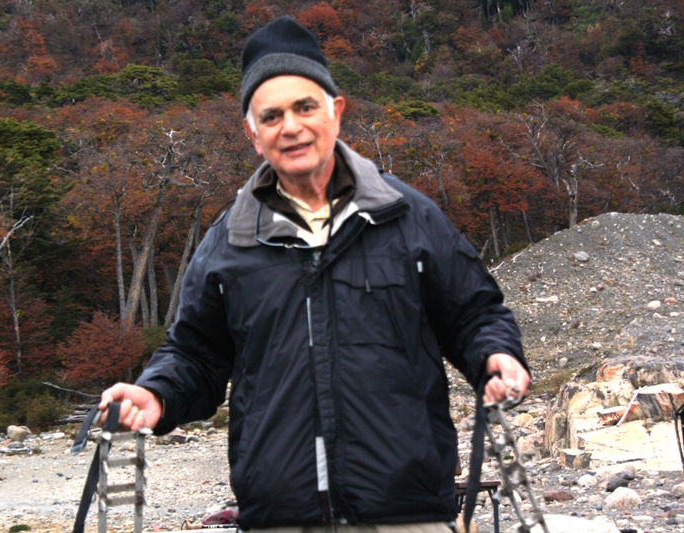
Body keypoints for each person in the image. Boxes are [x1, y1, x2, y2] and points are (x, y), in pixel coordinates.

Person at [99, 16, 531, 533]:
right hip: (281, 515)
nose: (292, 126)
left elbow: (474, 314)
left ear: (336, 112)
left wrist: (496, 355)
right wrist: (157, 393)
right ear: (252, 133)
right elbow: (196, 353)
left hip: (407, 512)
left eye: (305, 107)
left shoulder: (409, 217)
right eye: (272, 115)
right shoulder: (229, 241)